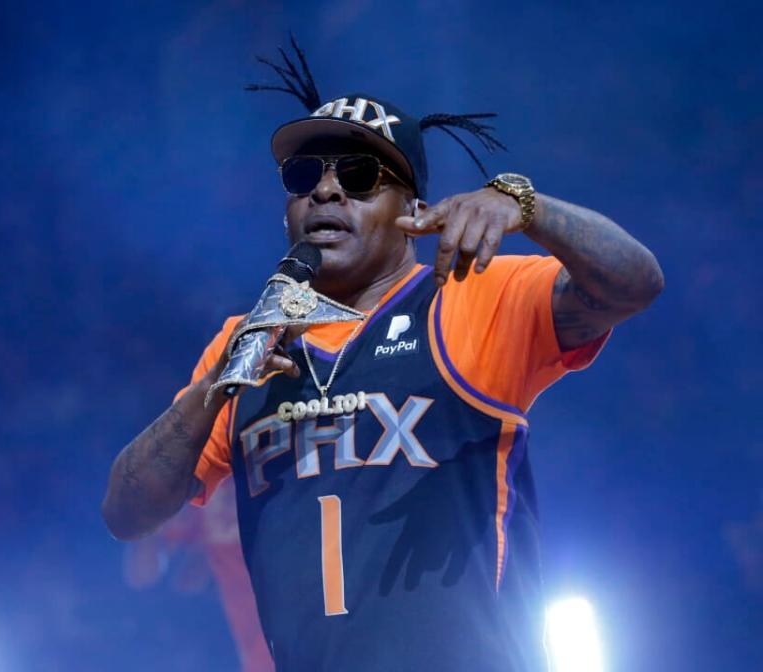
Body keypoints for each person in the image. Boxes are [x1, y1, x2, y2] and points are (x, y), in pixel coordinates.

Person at [102, 39, 664, 671]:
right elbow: (126, 511)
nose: (326, 192)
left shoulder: (468, 296)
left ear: (415, 212)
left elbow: (634, 284)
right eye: (304, 177)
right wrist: (220, 384)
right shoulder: (247, 345)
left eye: (361, 176)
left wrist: (529, 208)